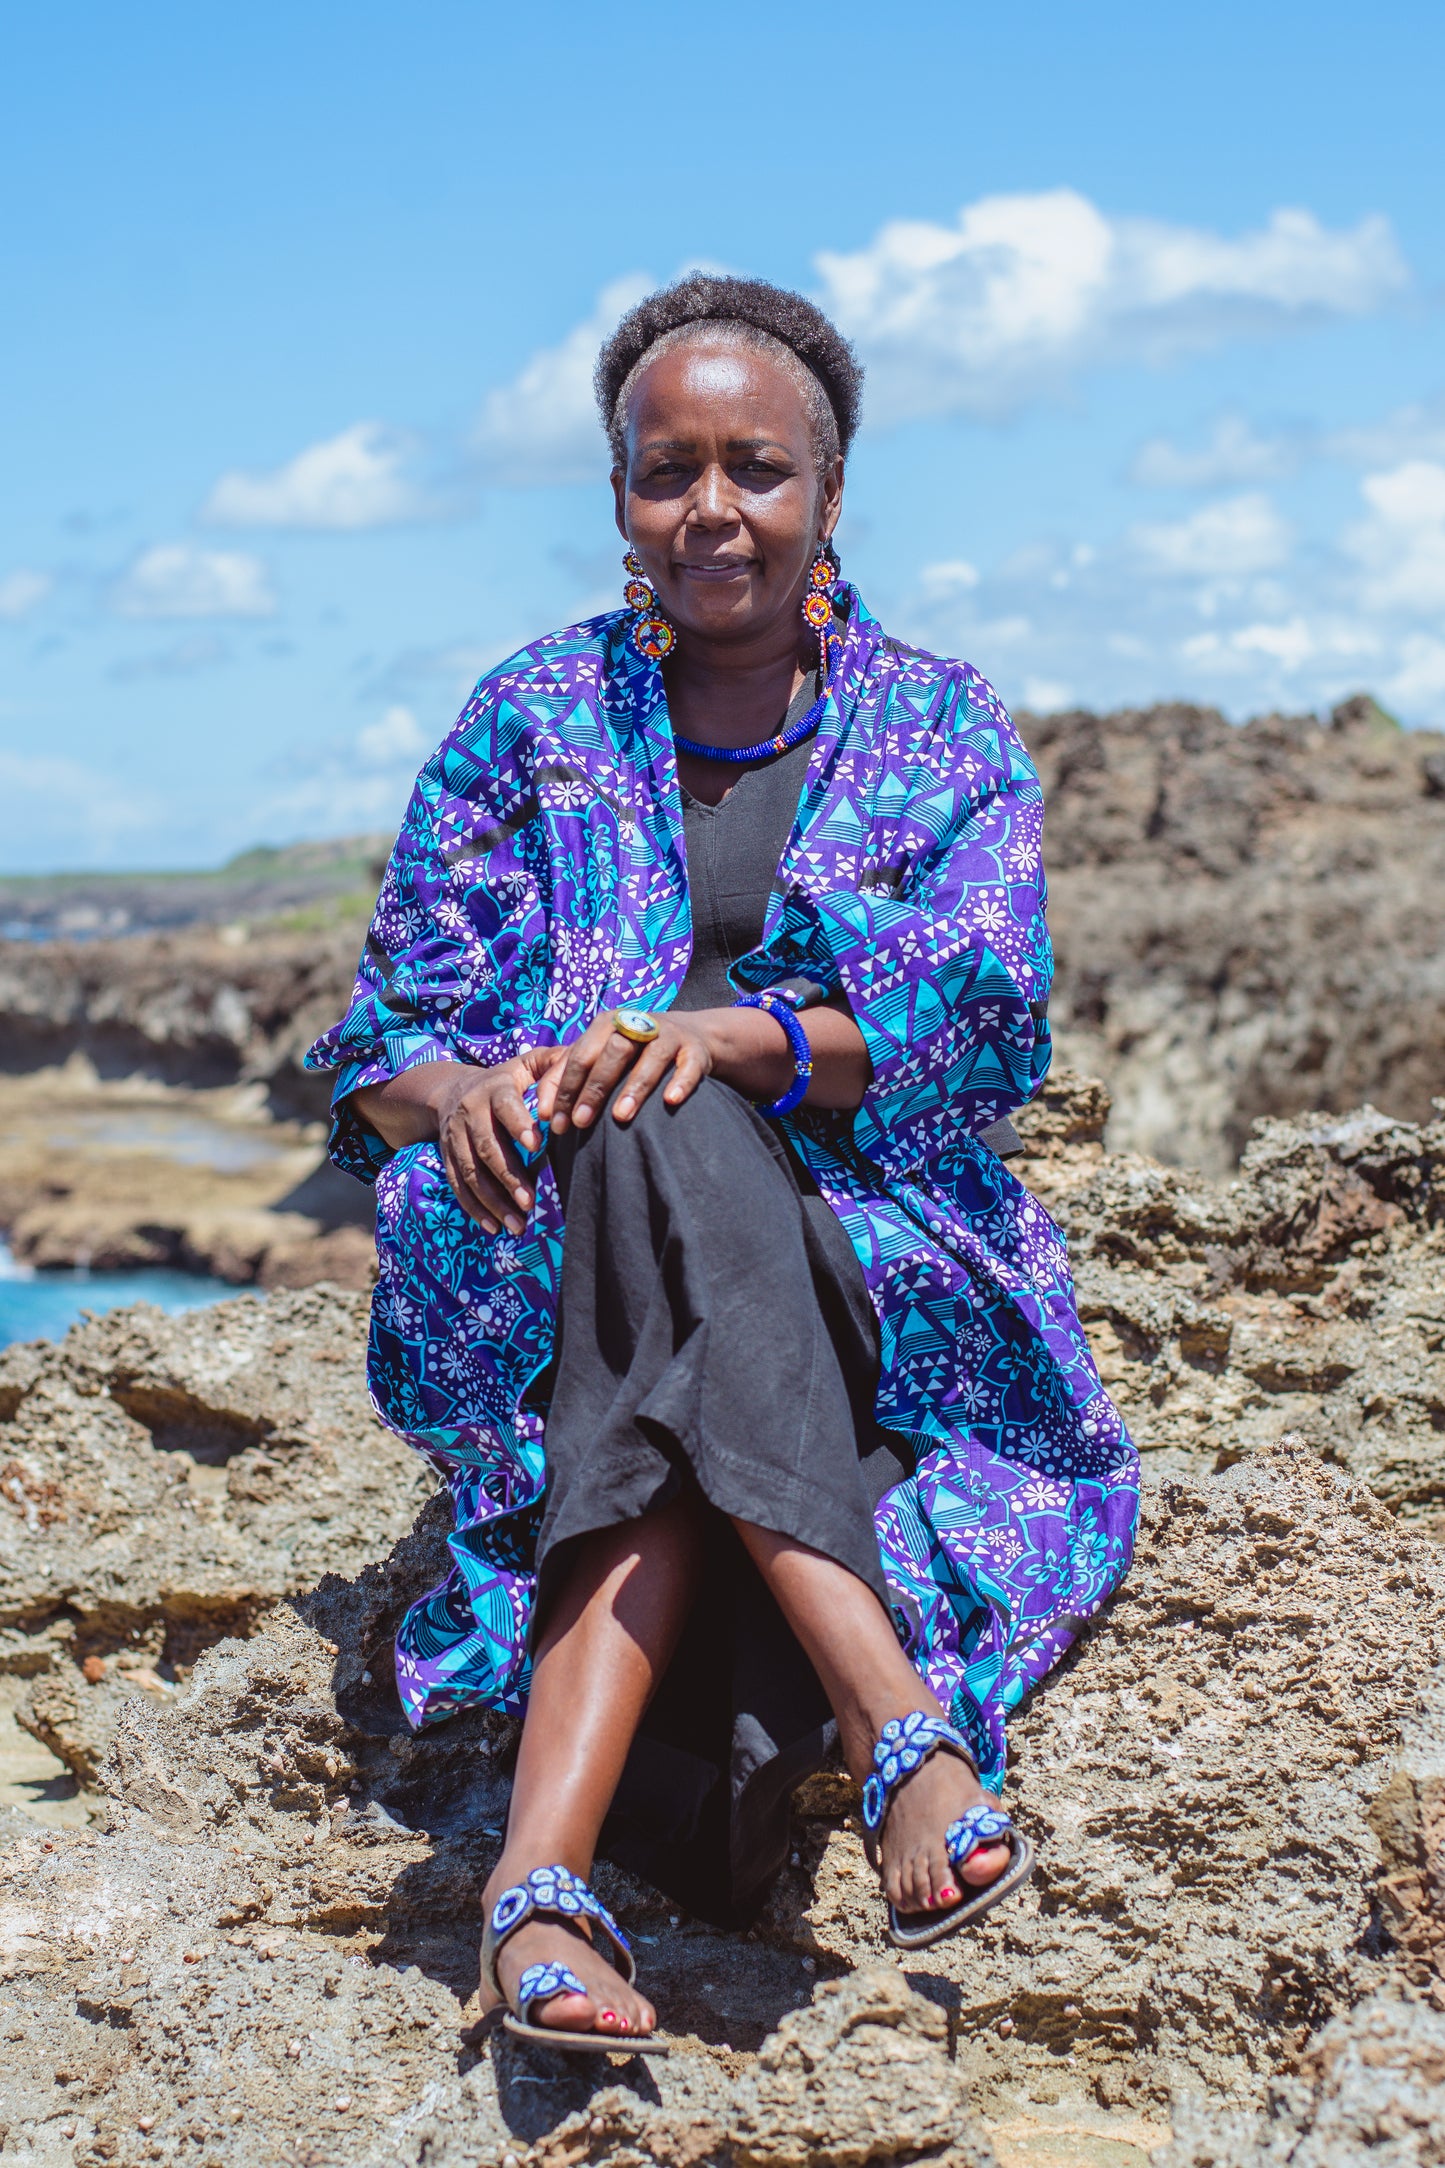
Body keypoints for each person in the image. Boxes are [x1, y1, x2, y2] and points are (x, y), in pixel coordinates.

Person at [307, 274, 1138, 2053]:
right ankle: (892, 1721)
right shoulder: (529, 715)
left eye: (754, 468)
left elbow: (989, 1024)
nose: (710, 509)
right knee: (633, 1126)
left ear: (827, 491)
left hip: (862, 1235)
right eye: (662, 469)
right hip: (537, 1234)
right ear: (615, 494)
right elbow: (383, 1039)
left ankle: (534, 1883)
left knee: (669, 1102)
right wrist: (451, 1090)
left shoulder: (936, 722)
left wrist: (740, 1037)